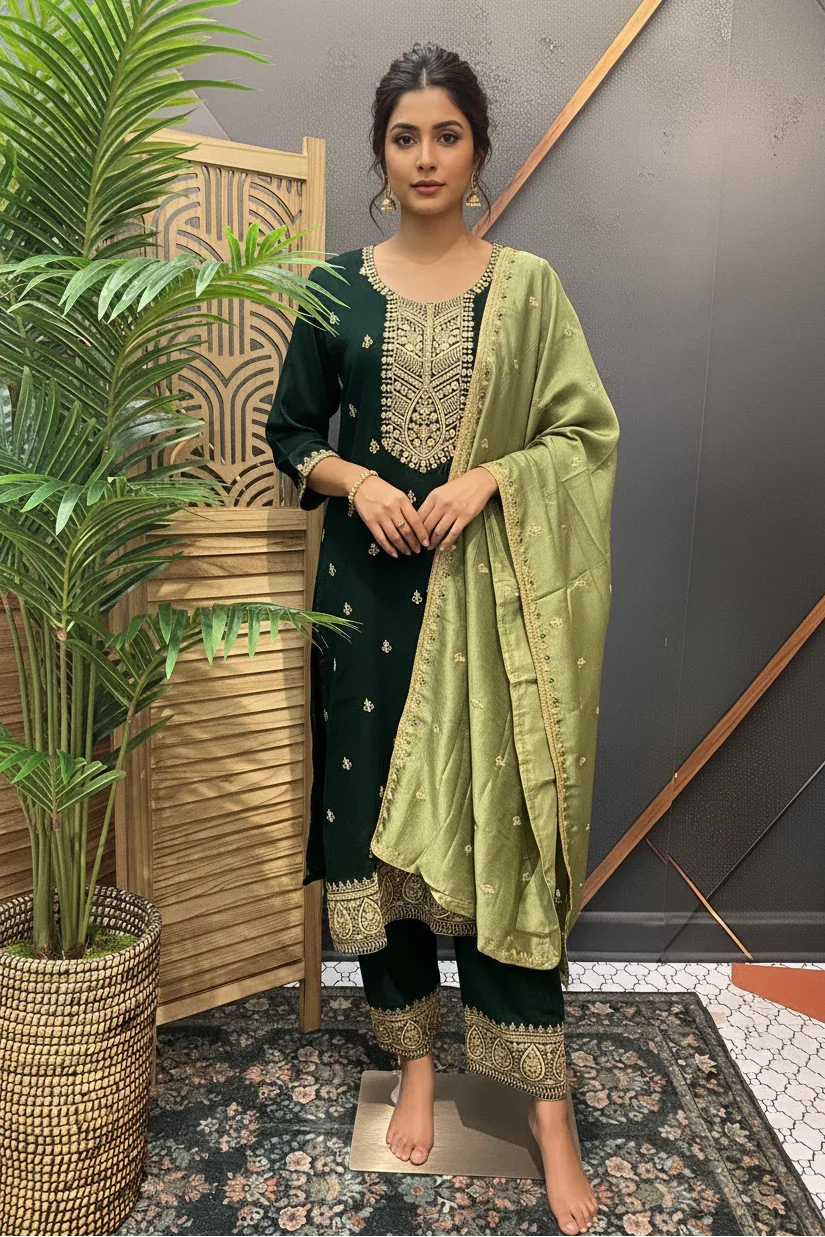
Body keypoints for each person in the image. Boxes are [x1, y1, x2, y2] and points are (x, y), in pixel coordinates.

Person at [266, 41, 619, 1237]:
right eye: (405, 137)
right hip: (368, 605)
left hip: (491, 606)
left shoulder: (530, 288)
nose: (426, 157)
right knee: (380, 845)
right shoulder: (335, 288)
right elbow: (289, 433)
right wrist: (359, 480)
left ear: (478, 148)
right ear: (382, 152)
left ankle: (546, 1105)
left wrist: (495, 478)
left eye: (447, 135)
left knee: (500, 830)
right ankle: (413, 1059)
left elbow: (583, 439)